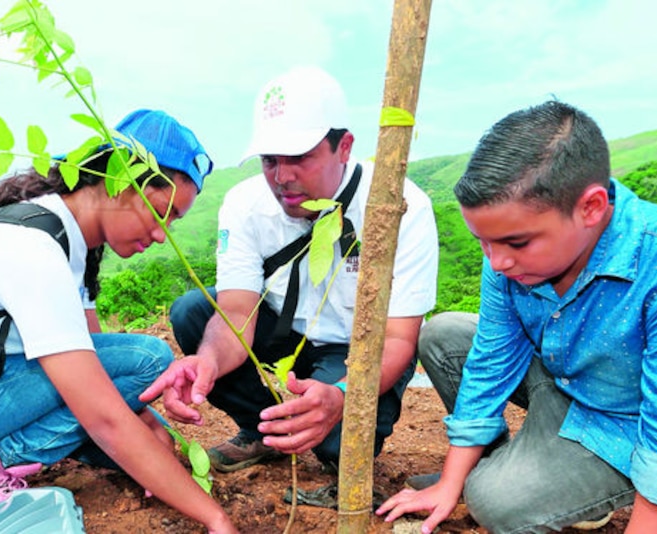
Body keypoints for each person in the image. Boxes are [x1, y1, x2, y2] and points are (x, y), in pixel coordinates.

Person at [377, 101, 657, 533]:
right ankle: (524, 468)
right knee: (443, 335)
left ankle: (549, 484)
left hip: (629, 421)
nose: (497, 262)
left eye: (516, 243)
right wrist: (449, 482)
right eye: (484, 242)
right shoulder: (507, 253)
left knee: (494, 503)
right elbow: (490, 363)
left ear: (591, 208)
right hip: (566, 381)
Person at [0, 109, 237, 533]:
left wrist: (147, 428)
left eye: (174, 221)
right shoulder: (34, 250)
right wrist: (214, 518)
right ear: (118, 181)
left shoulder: (68, 238)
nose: (162, 234)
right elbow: (101, 410)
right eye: (161, 213)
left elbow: (99, 365)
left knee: (137, 383)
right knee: (148, 358)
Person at [141, 66, 439, 475]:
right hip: (285, 332)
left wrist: (342, 396)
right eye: (270, 161)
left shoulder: (400, 205)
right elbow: (237, 313)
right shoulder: (245, 204)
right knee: (194, 311)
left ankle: (318, 416)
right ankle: (264, 431)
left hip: (362, 349)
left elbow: (399, 337)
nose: (282, 178)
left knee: (338, 447)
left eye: (299, 158)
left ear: (345, 146)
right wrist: (207, 361)